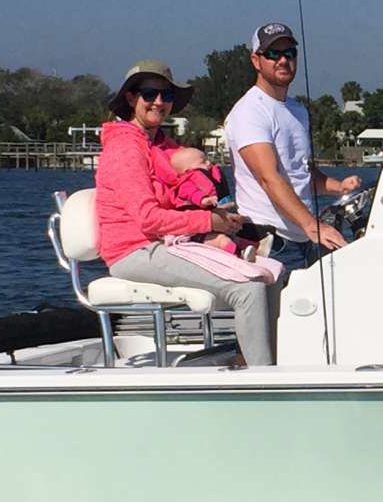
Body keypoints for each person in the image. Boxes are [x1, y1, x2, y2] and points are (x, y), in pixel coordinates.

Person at [94, 59, 278, 365]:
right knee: (247, 290)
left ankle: (258, 363)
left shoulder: (162, 146)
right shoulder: (125, 148)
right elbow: (148, 218)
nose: (158, 102)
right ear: (130, 98)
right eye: (149, 93)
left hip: (169, 243)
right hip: (133, 251)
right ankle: (263, 384)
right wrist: (209, 221)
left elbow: (184, 197)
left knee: (269, 273)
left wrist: (217, 213)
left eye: (165, 95)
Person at [224, 22, 361, 274]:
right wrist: (313, 225)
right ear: (256, 60)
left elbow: (302, 173)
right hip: (271, 241)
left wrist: (338, 186)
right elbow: (269, 178)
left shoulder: (298, 111)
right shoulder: (249, 112)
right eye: (273, 54)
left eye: (289, 53)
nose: (283, 60)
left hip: (306, 239)